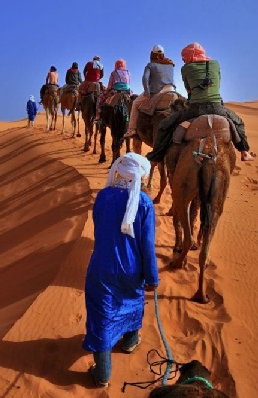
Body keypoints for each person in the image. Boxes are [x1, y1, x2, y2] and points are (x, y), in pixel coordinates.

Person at [83, 152, 159, 388]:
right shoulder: (145, 203)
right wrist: (152, 277)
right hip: (132, 268)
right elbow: (147, 245)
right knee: (133, 302)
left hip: (103, 267)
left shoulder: (103, 196)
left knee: (102, 315)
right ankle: (129, 342)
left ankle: (103, 374)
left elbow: (99, 228)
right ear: (142, 177)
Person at [147, 42, 254, 162]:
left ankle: (157, 156)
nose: (184, 60)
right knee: (238, 122)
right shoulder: (215, 64)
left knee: (164, 125)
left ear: (189, 55)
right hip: (217, 107)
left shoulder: (186, 68)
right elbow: (217, 83)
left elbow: (189, 91)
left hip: (195, 109)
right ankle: (244, 152)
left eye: (184, 57)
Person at [124, 45, 176, 138]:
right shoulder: (170, 64)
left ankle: (131, 129)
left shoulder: (150, 65)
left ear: (152, 54)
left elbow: (145, 79)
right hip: (172, 91)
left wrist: (147, 93)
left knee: (135, 103)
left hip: (156, 92)